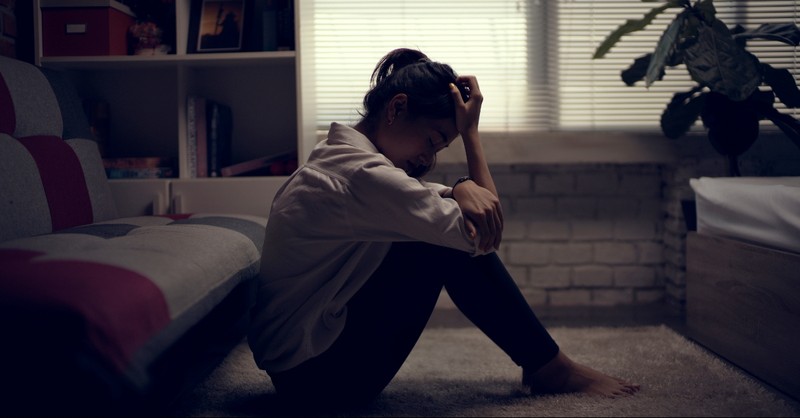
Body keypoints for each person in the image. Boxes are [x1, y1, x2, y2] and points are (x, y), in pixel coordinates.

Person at [248, 47, 640, 411]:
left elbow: (421, 198)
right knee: (445, 245)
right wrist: (470, 136)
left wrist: (457, 188)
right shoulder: (360, 174)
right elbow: (483, 234)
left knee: (436, 230)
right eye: (432, 140)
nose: (427, 157)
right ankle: (549, 367)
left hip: (299, 371)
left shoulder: (340, 158)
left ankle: (545, 363)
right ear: (396, 108)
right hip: (320, 384)